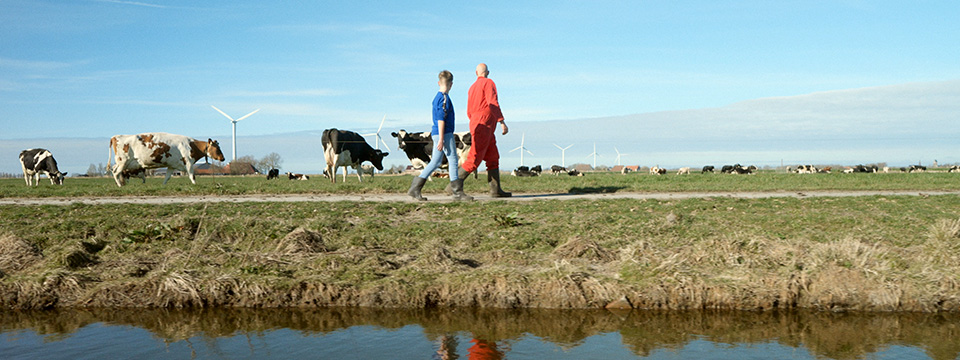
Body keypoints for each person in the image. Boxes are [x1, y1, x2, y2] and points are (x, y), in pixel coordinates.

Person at [408, 70, 473, 201]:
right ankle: (457, 192)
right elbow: (440, 119)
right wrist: (442, 138)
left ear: (439, 82)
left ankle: (415, 189)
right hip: (444, 133)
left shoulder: (437, 97)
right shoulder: (443, 98)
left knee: (435, 162)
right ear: (451, 84)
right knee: (453, 160)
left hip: (439, 133)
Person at [458, 63, 511, 197]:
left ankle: (495, 190)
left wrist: (474, 121)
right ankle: (454, 186)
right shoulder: (488, 83)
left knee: (493, 157)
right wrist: (501, 121)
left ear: (476, 73)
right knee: (475, 157)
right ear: (488, 72)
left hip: (478, 123)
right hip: (485, 124)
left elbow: (469, 110)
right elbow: (492, 102)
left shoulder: (472, 88)